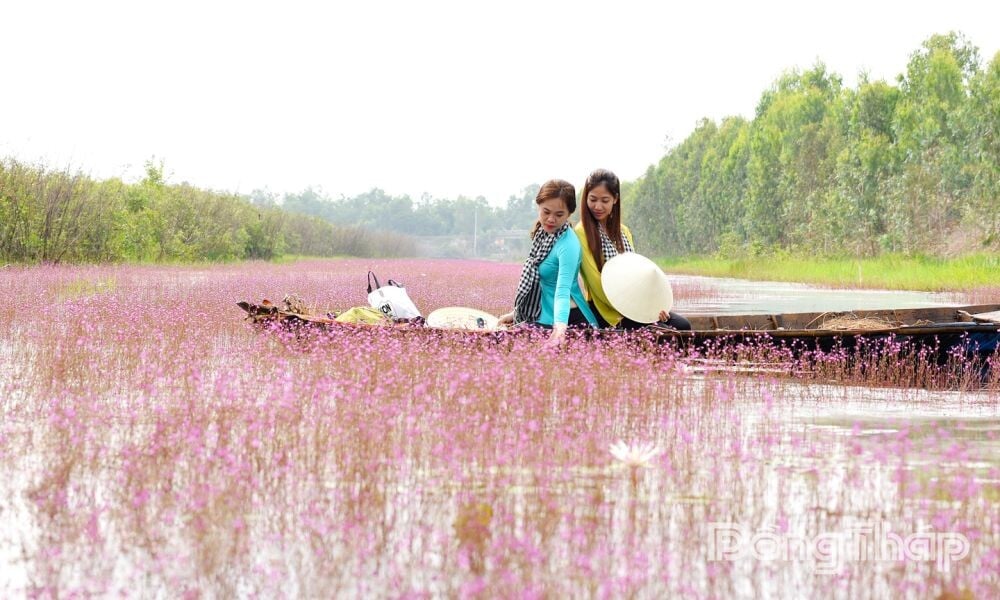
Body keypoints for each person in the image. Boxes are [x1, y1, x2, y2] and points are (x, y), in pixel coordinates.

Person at [575, 168, 691, 330]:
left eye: (605, 200)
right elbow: (595, 283)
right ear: (585, 197)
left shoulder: (624, 231)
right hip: (606, 309)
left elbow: (636, 276)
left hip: (635, 303)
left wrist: (654, 309)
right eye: (593, 199)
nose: (597, 206)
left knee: (682, 325)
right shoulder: (581, 232)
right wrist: (632, 310)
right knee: (663, 330)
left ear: (615, 199)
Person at [498, 179, 598, 345]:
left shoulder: (568, 244)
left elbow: (563, 290)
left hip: (569, 319)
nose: (551, 219)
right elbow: (537, 286)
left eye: (559, 215)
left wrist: (559, 330)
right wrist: (515, 314)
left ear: (569, 214)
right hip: (544, 314)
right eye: (546, 212)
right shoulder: (543, 236)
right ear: (539, 206)